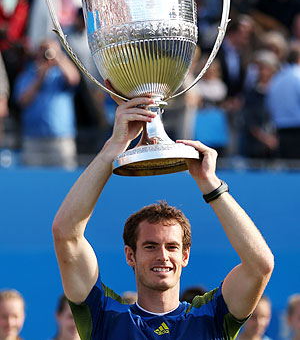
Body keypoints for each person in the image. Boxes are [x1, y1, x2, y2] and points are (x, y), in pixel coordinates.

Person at [52, 91, 274, 339]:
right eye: (150, 246)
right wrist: (113, 148)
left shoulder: (212, 317)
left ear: (185, 255)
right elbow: (66, 234)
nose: (162, 256)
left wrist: (210, 183)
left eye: (172, 246)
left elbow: (260, 265)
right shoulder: (104, 316)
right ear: (130, 255)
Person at [14, 38, 80, 167]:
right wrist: (40, 76)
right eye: (42, 51)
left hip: (61, 140)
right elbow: (22, 101)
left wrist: (59, 56)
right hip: (33, 140)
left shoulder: (60, 75)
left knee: (66, 182)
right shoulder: (27, 75)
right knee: (33, 181)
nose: (46, 55)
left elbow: (74, 79)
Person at [267, 43, 300, 159]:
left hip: (281, 130)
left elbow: (270, 104)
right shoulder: (298, 76)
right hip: (297, 129)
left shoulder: (277, 78)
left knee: (288, 168)